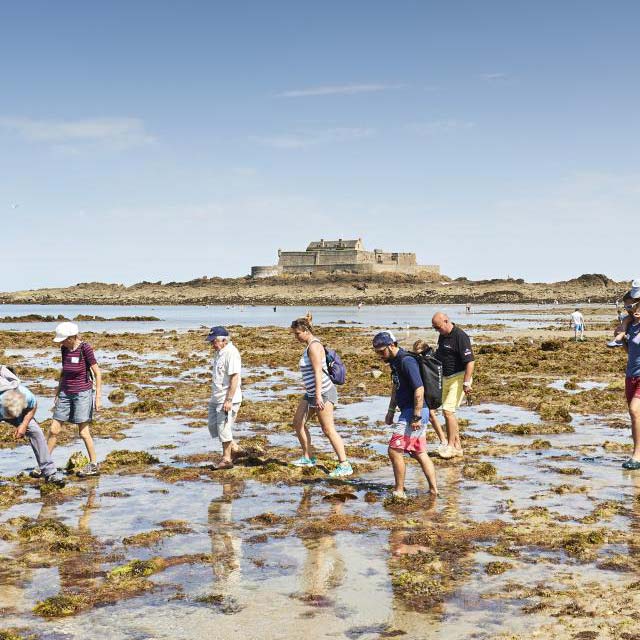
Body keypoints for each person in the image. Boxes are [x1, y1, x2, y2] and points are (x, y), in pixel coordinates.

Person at [373, 331, 438, 499]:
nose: (379, 355)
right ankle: (433, 490)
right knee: (418, 452)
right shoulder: (395, 362)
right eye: (377, 352)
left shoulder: (407, 361)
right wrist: (390, 410)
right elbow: (397, 387)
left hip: (413, 412)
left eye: (381, 351)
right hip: (408, 411)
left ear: (392, 345)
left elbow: (419, 388)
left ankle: (399, 490)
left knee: (394, 450)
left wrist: (416, 416)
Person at [290, 314, 352, 478]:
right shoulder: (309, 344)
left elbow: (318, 372)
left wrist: (318, 396)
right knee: (298, 423)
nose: (295, 337)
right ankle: (307, 457)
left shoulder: (314, 347)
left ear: (305, 331)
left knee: (328, 429)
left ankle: (344, 464)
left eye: (297, 333)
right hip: (311, 393)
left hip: (323, 392)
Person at [48, 322, 102, 478]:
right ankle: (44, 464)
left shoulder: (85, 349)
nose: (62, 343)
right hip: (65, 392)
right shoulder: (64, 349)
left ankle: (93, 465)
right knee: (53, 430)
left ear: (72, 337)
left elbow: (98, 373)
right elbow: (64, 372)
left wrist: (97, 398)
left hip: (82, 394)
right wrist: (57, 392)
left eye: (64, 340)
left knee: (84, 432)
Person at [0, 369, 65, 486]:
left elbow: (33, 405)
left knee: (35, 432)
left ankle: (49, 473)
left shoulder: (24, 394)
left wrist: (24, 424)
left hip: (14, 406)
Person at [432, 312, 474, 459]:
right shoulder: (442, 336)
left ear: (446, 321)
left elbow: (470, 361)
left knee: (448, 411)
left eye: (438, 327)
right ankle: (458, 447)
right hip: (445, 378)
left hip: (459, 377)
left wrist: (467, 382)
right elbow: (440, 355)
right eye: (435, 328)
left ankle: (450, 447)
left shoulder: (460, 336)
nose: (437, 330)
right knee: (447, 412)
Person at [206, 326, 243, 470]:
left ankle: (227, 459)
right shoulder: (219, 352)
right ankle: (234, 448)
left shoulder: (231, 353)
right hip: (216, 397)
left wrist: (229, 400)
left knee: (223, 428)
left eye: (213, 341)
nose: (212, 345)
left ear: (223, 340)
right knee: (213, 426)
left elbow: (234, 378)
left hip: (227, 398)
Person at [412, 339, 448, 449]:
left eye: (419, 352)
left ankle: (443, 440)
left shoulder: (430, 359)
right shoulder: (419, 359)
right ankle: (441, 440)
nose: (418, 354)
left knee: (431, 415)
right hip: (422, 389)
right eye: (416, 352)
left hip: (430, 390)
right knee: (429, 415)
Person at [621, 295, 640, 470]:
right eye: (629, 307)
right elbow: (630, 351)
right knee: (635, 417)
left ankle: (636, 456)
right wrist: (622, 337)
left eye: (633, 306)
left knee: (634, 411)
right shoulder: (631, 326)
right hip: (630, 376)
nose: (632, 309)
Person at [609, 280, 640, 348]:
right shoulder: (629, 322)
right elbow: (630, 351)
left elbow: (635, 344)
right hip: (632, 356)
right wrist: (622, 338)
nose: (627, 309)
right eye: (625, 307)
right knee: (626, 320)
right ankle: (619, 338)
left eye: (629, 306)